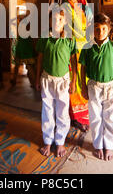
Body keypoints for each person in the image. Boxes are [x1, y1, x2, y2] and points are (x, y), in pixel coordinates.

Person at [79, 12, 113, 161]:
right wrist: (82, 86)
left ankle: (109, 146)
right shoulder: (88, 48)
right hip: (93, 86)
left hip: (111, 86)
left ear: (109, 29)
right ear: (92, 30)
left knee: (111, 117)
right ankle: (98, 144)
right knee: (95, 117)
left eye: (104, 29)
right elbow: (83, 68)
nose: (100, 32)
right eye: (97, 29)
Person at [35, 10, 78, 158]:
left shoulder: (69, 40)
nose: (56, 22)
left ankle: (60, 141)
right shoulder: (44, 38)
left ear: (65, 22)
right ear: (48, 21)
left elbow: (74, 61)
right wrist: (37, 78)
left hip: (63, 81)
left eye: (60, 19)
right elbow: (39, 59)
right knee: (47, 111)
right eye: (53, 19)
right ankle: (47, 140)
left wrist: (74, 81)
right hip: (46, 79)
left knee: (62, 112)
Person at [63, 0, 93, 132]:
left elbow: (88, 27)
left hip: (84, 48)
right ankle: (76, 117)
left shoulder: (82, 9)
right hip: (72, 49)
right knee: (73, 81)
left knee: (84, 81)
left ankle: (85, 115)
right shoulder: (64, 8)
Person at [11, 16, 36, 86]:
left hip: (24, 47)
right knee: (24, 66)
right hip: (23, 47)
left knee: (27, 66)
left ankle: (33, 83)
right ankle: (33, 83)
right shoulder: (26, 27)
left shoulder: (24, 27)